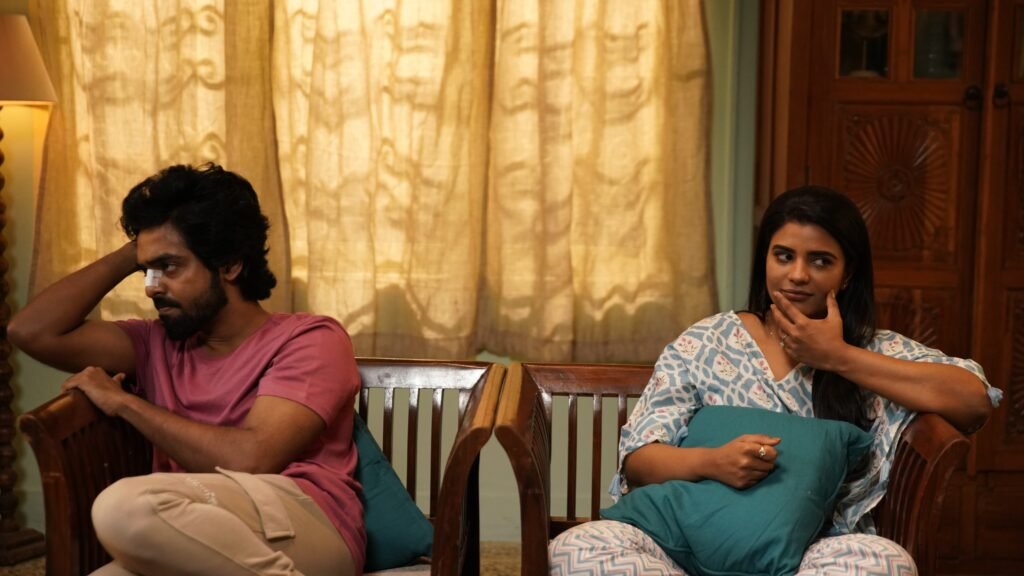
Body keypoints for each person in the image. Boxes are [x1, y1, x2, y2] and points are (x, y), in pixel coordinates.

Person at [548, 185, 1002, 575]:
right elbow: (640, 461)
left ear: (847, 275)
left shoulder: (871, 350)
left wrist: (838, 357)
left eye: (820, 261)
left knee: (884, 563)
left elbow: (974, 400)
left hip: (811, 554)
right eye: (784, 256)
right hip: (680, 549)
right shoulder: (708, 340)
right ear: (764, 259)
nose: (797, 275)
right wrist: (713, 462)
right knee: (577, 549)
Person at [9, 164, 362, 576]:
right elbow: (30, 331)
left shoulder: (310, 339)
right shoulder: (154, 343)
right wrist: (137, 249)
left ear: (229, 265)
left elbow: (253, 458)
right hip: (193, 526)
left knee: (123, 508)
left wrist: (125, 404)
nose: (151, 286)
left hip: (308, 520)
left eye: (169, 266)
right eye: (147, 270)